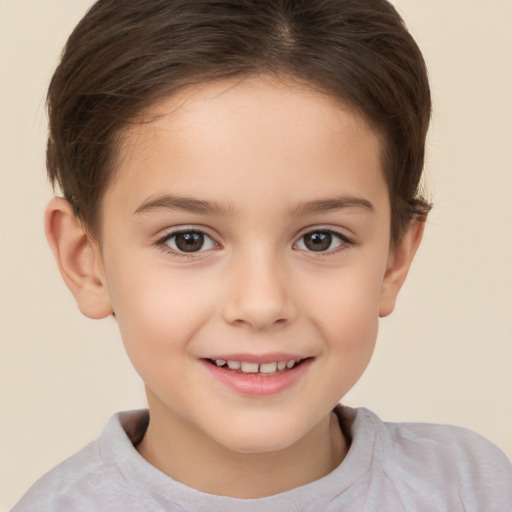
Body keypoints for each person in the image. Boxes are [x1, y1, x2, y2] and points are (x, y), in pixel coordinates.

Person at [11, 0, 512, 510]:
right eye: (189, 239)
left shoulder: (472, 489)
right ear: (84, 261)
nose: (261, 304)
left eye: (320, 239)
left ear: (394, 258)